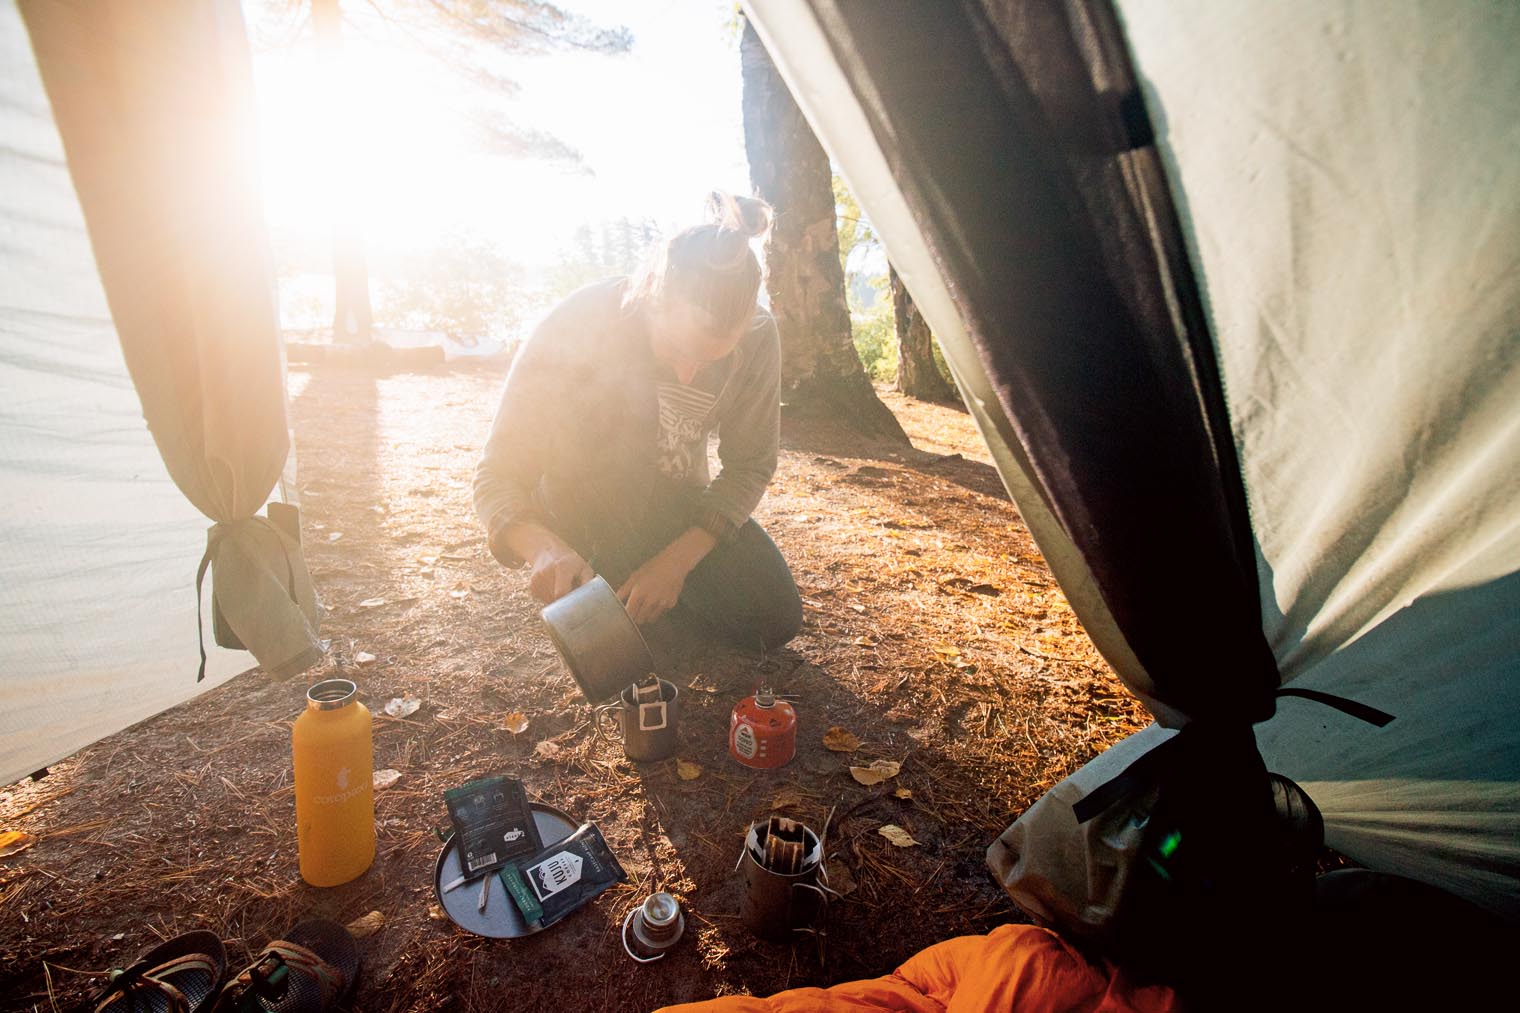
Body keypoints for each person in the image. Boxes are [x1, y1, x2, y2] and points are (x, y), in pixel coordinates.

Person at [473, 192, 802, 651]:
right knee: (625, 641)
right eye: (677, 351)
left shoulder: (759, 336)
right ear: (651, 297)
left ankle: (628, 592)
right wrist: (543, 546)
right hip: (580, 506)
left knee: (774, 615)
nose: (689, 374)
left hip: (675, 503)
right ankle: (597, 579)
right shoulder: (577, 322)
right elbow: (497, 473)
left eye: (710, 359)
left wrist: (676, 563)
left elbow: (750, 464)